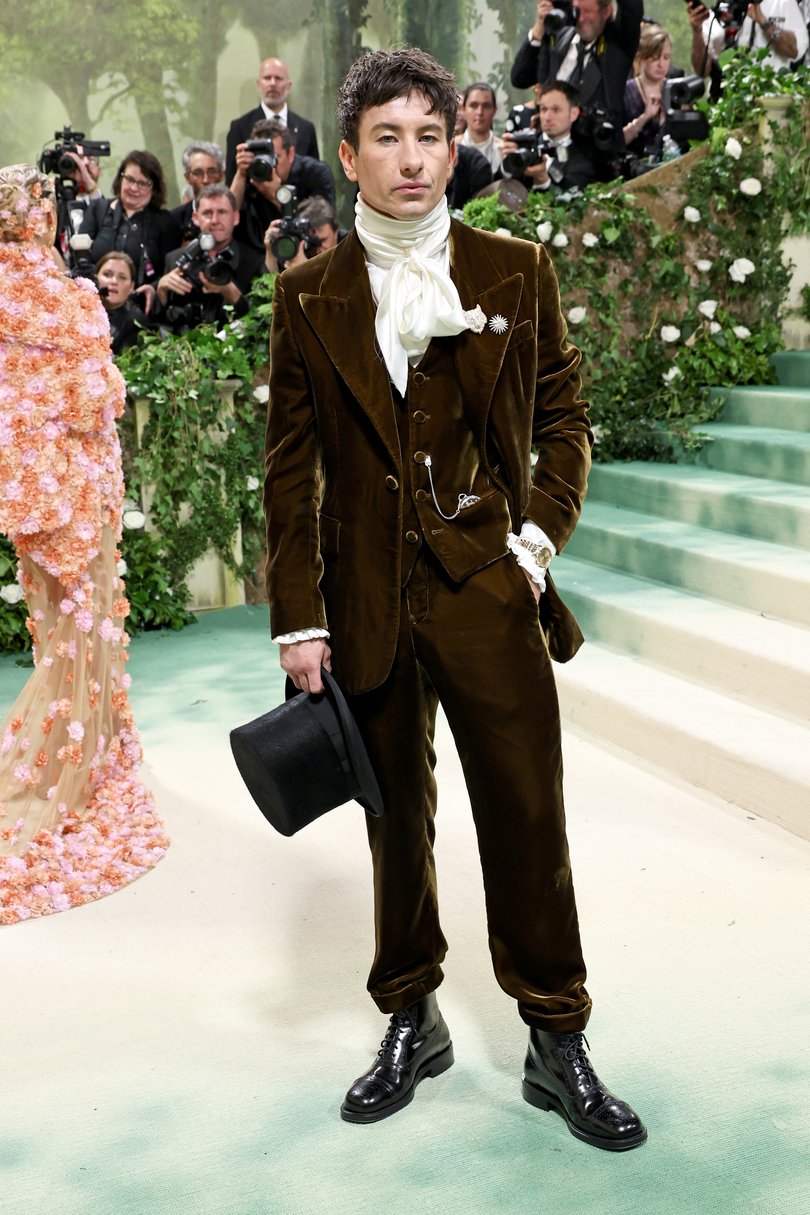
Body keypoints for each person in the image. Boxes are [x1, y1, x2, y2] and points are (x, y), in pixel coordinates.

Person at [264, 47, 646, 1150]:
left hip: (488, 587)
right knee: (397, 828)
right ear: (349, 157)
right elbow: (291, 469)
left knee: (529, 814)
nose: (412, 157)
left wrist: (536, 543)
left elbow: (565, 419)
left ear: (453, 146)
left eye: (430, 134)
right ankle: (409, 1017)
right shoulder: (308, 295)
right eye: (387, 136)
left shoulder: (514, 269)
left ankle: (556, 1034)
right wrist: (301, 615)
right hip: (365, 603)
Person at [0, 164, 169, 926]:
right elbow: (99, 394)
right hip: (83, 497)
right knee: (85, 638)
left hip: (30, 504)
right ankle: (77, 765)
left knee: (57, 638)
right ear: (44, 222)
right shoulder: (71, 300)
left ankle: (79, 748)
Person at [511, 0, 643, 160]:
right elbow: (520, 77)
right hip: (551, 158)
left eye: (588, 11)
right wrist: (539, 27)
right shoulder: (558, 36)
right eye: (577, 11)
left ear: (606, 11)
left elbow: (632, 8)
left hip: (598, 161)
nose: (580, 19)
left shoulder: (617, 45)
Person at [80, 150, 181, 315]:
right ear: (121, 179)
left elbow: (170, 271)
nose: (134, 188)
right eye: (130, 179)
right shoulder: (98, 209)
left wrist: (154, 288)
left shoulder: (165, 222)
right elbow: (80, 259)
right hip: (91, 309)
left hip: (140, 314)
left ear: (154, 188)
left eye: (143, 183)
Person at [157, 184, 266, 331]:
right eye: (207, 213)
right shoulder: (175, 259)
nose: (215, 220)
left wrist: (232, 294)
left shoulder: (255, 262)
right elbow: (164, 322)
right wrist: (162, 292)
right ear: (196, 218)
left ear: (235, 217)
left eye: (222, 212)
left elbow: (261, 323)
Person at [230, 119, 336, 254]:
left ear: (290, 154)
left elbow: (321, 225)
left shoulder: (316, 173)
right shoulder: (252, 173)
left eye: (274, 157)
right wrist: (241, 173)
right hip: (260, 255)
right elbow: (229, 216)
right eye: (260, 157)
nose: (268, 164)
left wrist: (278, 196)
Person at [225, 57, 319, 182]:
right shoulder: (240, 127)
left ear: (289, 86)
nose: (273, 83)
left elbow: (314, 176)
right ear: (259, 84)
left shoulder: (306, 128)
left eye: (278, 78)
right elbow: (231, 179)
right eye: (267, 78)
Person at [503, 81, 600, 194]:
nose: (547, 117)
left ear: (573, 113)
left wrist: (544, 181)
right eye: (544, 109)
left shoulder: (584, 158)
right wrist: (505, 164)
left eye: (556, 110)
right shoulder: (525, 143)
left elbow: (572, 203)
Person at [693, 0, 807, 72]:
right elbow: (701, 71)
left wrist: (763, 22)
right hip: (727, 99)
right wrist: (697, 31)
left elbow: (794, 51)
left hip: (771, 97)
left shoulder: (782, 3)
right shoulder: (722, 9)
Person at [623, 24, 673, 159]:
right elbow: (616, 142)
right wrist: (644, 118)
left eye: (666, 57)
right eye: (655, 57)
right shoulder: (625, 92)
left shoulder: (676, 89)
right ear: (642, 57)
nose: (661, 64)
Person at [96, 251, 154, 354]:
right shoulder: (79, 308)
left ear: (132, 287)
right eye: (107, 275)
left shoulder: (137, 322)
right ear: (95, 278)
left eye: (122, 277)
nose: (114, 281)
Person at [170, 141, 226, 242]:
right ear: (188, 177)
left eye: (212, 172)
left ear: (221, 175)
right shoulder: (174, 220)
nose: (205, 180)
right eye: (198, 173)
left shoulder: (235, 216)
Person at [458, 83, 503, 173]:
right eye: (474, 105)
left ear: (494, 110)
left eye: (486, 106)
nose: (480, 112)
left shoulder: (502, 150)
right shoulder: (452, 147)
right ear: (464, 109)